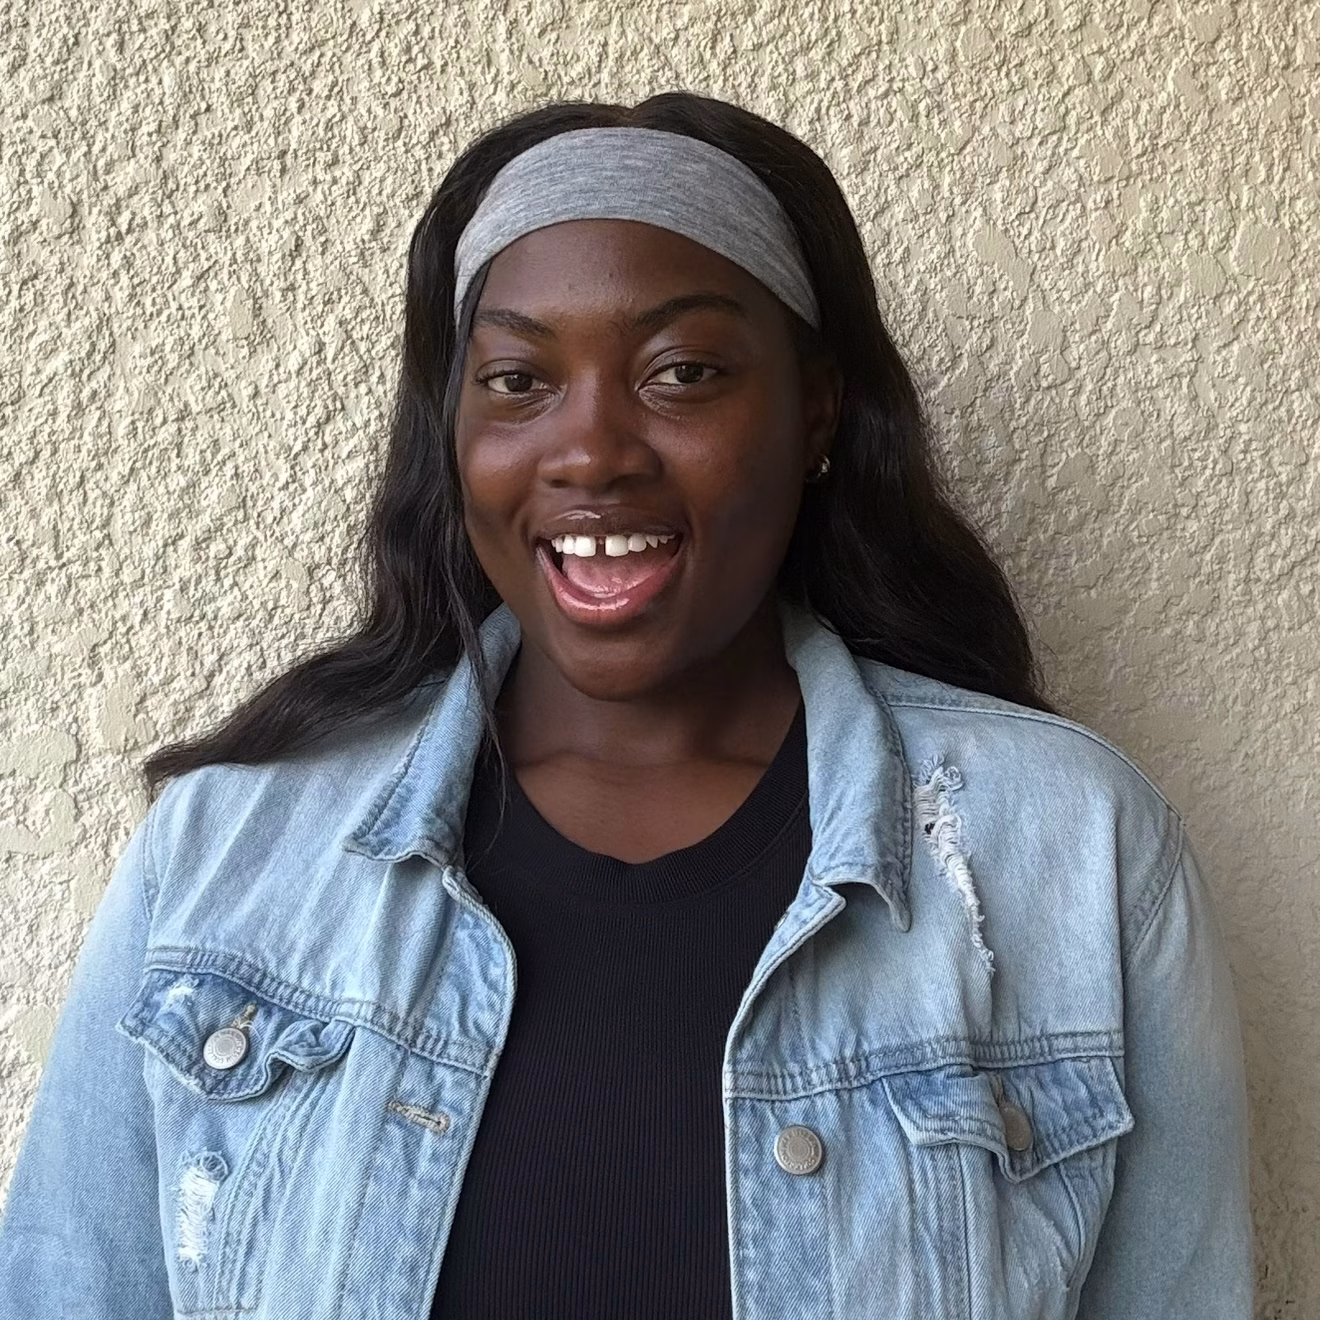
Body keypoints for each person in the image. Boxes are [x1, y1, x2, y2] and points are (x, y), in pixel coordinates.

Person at [0, 91, 1251, 1319]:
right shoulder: (227, 856)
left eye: (682, 372)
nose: (592, 450)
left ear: (815, 410)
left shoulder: (1074, 852)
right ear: (454, 432)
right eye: (517, 379)